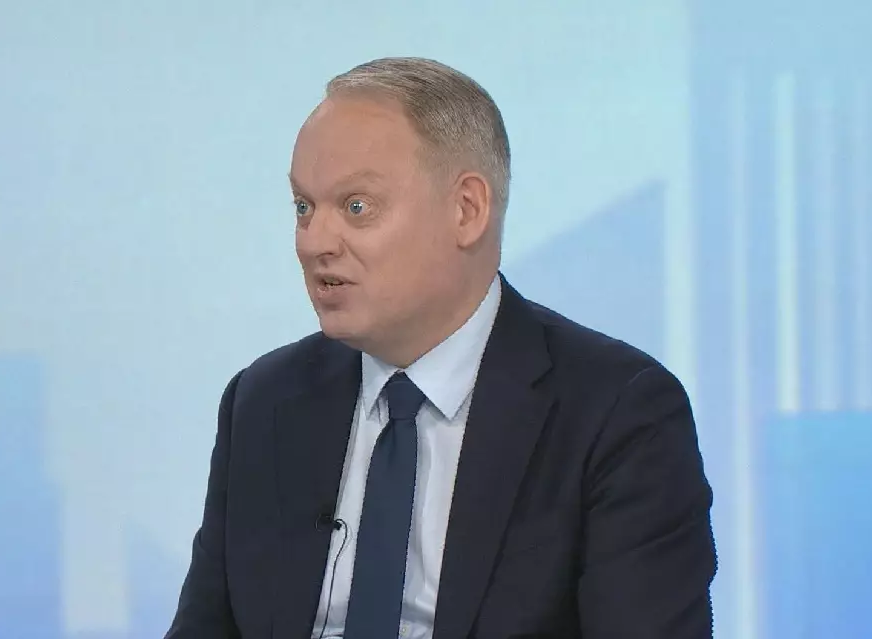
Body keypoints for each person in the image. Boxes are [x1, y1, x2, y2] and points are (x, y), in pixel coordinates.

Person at [165, 57, 716, 639]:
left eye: (356, 207)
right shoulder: (264, 400)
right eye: (304, 207)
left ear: (467, 210)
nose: (313, 242)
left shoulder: (617, 414)